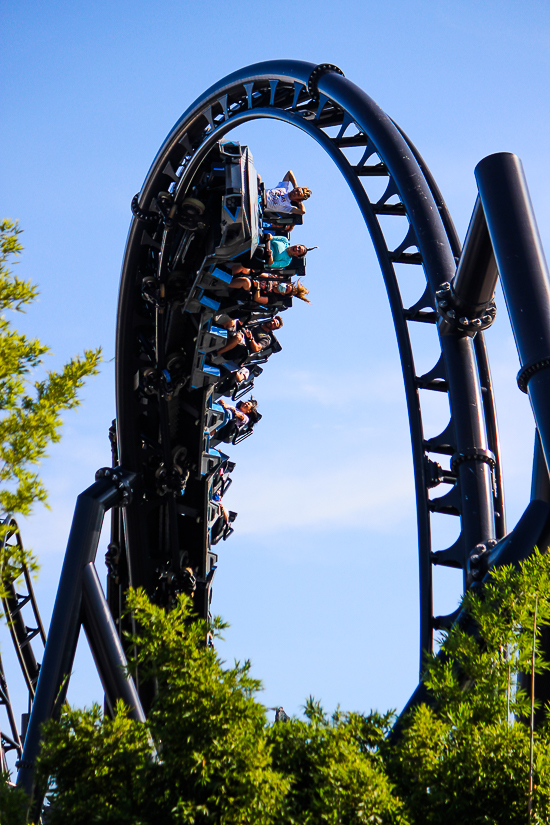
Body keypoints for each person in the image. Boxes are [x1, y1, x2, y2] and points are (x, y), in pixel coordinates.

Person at [211, 317, 283, 364]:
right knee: (231, 322)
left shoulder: (266, 338)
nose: (272, 323)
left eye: (274, 324)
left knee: (238, 337)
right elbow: (242, 322)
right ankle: (211, 329)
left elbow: (256, 348)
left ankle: (216, 353)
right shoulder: (256, 322)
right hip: (238, 331)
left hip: (243, 344)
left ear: (273, 329)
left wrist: (251, 338)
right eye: (273, 321)